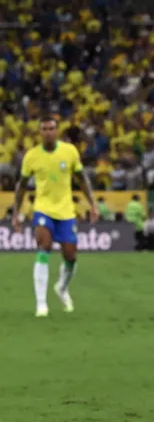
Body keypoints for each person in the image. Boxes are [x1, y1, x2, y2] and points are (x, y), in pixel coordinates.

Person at [12, 116, 99, 316]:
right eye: (44, 128)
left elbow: (82, 179)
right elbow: (22, 186)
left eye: (51, 128)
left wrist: (93, 203)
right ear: (40, 132)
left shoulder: (69, 152)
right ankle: (41, 303)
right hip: (43, 209)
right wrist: (16, 212)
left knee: (70, 256)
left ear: (57, 131)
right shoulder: (32, 156)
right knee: (44, 247)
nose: (48, 132)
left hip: (66, 211)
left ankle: (61, 288)